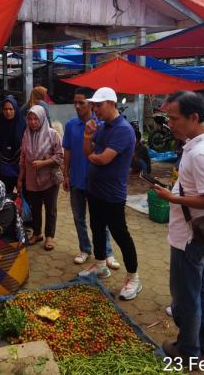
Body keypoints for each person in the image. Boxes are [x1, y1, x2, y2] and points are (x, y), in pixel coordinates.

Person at [151, 91, 204, 365]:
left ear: (193, 118)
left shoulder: (202, 152)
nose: (170, 124)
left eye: (174, 118)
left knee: (187, 296)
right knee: (202, 288)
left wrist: (173, 198)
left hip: (192, 237)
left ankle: (188, 351)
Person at [80, 87, 141, 301]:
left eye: (99, 104)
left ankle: (133, 277)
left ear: (112, 103)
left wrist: (93, 154)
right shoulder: (103, 127)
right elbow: (88, 151)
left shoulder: (123, 130)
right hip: (95, 189)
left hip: (113, 193)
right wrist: (88, 136)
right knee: (96, 227)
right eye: (94, 105)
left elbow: (102, 158)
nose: (94, 109)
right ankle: (100, 265)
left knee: (120, 234)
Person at [63, 87, 119, 268]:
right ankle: (85, 248)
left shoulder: (101, 125)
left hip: (97, 181)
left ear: (91, 104)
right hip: (77, 179)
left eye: (82, 103)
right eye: (75, 102)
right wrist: (65, 174)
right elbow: (68, 151)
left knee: (101, 219)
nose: (77, 106)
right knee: (79, 217)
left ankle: (107, 252)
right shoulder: (71, 125)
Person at [17, 105, 63, 251]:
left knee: (50, 208)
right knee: (35, 208)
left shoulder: (52, 134)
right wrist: (20, 179)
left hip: (49, 178)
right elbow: (23, 159)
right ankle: (37, 234)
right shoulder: (26, 135)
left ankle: (50, 236)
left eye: (35, 118)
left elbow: (60, 156)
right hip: (31, 179)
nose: (32, 122)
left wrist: (43, 163)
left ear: (42, 118)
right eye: (29, 119)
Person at [0, 95, 26, 194]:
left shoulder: (23, 126)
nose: (8, 112)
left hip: (20, 171)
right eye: (5, 109)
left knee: (24, 200)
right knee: (5, 199)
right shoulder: (0, 126)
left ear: (15, 110)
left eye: (11, 109)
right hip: (5, 170)